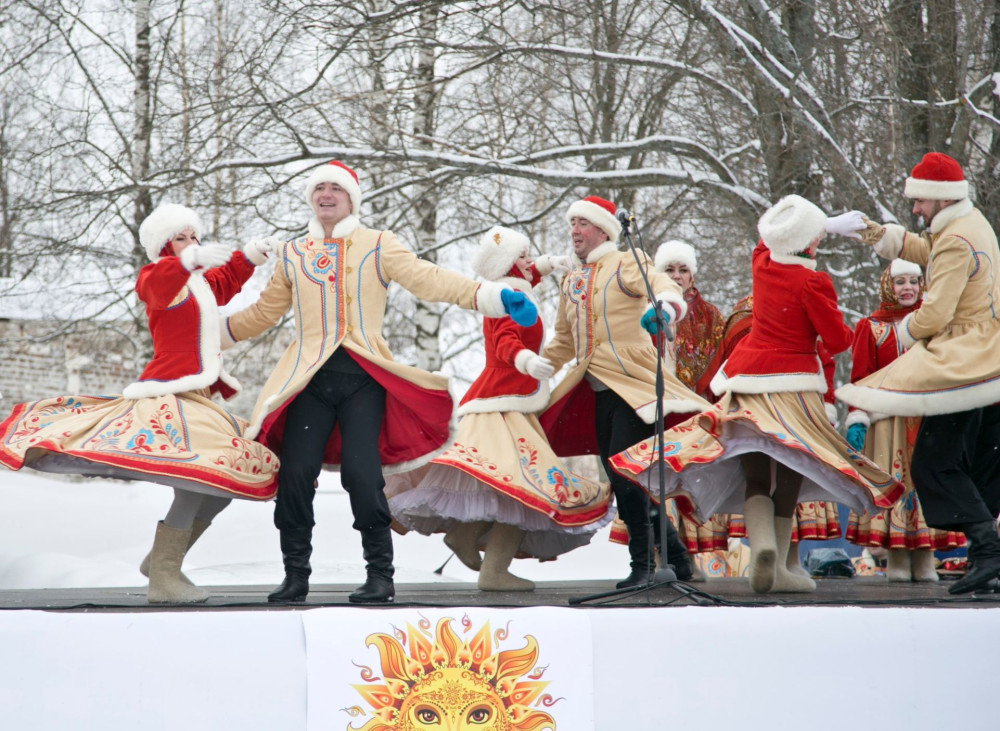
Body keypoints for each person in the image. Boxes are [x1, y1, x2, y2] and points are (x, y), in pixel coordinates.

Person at [221, 161, 537, 604]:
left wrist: (488, 295)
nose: (326, 194)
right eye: (319, 188)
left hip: (362, 379)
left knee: (362, 474)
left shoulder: (378, 244)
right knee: (295, 474)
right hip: (307, 382)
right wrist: (208, 337)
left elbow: (428, 279)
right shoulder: (293, 253)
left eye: (336, 189)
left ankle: (379, 575)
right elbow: (263, 313)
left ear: (351, 199)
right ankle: (295, 575)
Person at [611, 195, 903, 594]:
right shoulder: (813, 281)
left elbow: (766, 239)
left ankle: (762, 546)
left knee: (756, 473)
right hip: (793, 384)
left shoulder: (762, 265)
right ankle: (777, 565)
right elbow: (836, 341)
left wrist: (819, 224)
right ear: (808, 240)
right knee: (791, 468)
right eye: (817, 235)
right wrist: (842, 323)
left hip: (746, 381)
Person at [0, 203, 279, 603]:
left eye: (194, 236)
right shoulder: (159, 277)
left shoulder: (198, 283)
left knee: (222, 484)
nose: (191, 242)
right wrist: (188, 260)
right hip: (170, 394)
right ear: (164, 246)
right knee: (197, 477)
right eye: (180, 238)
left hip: (199, 396)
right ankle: (164, 578)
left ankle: (162, 562)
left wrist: (250, 255)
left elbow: (226, 279)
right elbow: (155, 284)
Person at [385, 226, 613, 591]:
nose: (528, 260)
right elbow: (505, 340)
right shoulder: (507, 297)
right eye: (522, 255)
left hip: (503, 400)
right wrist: (526, 361)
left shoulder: (512, 287)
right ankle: (493, 571)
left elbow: (527, 275)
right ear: (508, 264)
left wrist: (548, 264)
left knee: (506, 485)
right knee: (522, 488)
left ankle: (465, 536)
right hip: (505, 402)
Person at [836, 152, 1000, 594]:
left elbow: (935, 314)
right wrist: (877, 234)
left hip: (964, 364)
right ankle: (987, 558)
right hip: (990, 361)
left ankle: (988, 552)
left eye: (920, 201)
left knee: (934, 463)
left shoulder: (956, 239)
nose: (915, 209)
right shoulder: (971, 225)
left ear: (941, 198)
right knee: (981, 461)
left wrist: (903, 333)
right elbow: (930, 250)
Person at [538, 195, 708, 589]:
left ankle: (643, 566)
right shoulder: (572, 280)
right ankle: (676, 558)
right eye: (572, 223)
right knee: (623, 480)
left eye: (582, 223)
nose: (574, 230)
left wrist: (666, 307)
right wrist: (535, 368)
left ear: (603, 230)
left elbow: (661, 285)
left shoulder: (625, 262)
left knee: (628, 476)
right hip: (597, 389)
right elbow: (563, 340)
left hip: (634, 386)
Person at [844, 259, 965, 581]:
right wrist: (857, 417)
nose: (908, 287)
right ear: (888, 286)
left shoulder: (936, 324)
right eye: (900, 282)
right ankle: (896, 557)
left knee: (928, 480)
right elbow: (861, 377)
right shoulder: (871, 327)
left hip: (929, 417)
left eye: (914, 281)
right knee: (895, 481)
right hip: (888, 421)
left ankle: (925, 556)